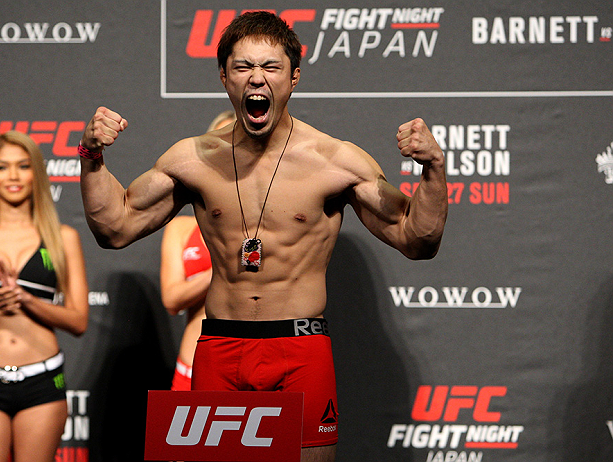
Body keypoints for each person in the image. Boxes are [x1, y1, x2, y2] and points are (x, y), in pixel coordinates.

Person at [78, 11, 447, 462]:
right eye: (242, 67)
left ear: (293, 78)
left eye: (270, 67)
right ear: (224, 77)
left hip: (300, 348)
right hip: (218, 348)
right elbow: (114, 228)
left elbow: (417, 239)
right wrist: (91, 154)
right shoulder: (191, 159)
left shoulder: (336, 161)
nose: (257, 78)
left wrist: (434, 169)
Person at [0, 131, 89, 462]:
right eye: (2, 167)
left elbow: (78, 320)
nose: (12, 176)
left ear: (35, 172)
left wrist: (26, 299)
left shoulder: (63, 238)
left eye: (22, 166)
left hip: (43, 381)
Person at [160, 111, 236, 391]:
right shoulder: (181, 229)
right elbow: (171, 299)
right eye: (221, 142)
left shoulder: (273, 225)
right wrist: (221, 269)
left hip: (250, 366)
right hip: (192, 365)